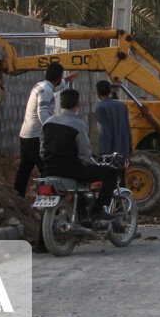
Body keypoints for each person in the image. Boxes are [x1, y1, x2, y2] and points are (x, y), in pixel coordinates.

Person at [41, 88, 119, 220]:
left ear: (61, 104)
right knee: (111, 173)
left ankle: (81, 213)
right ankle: (97, 210)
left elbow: (42, 150)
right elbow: (84, 156)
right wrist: (91, 164)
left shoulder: (48, 123)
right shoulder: (79, 125)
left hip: (48, 170)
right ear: (78, 104)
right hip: (71, 171)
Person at [13, 62, 75, 195]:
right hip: (36, 136)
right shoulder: (46, 90)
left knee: (25, 168)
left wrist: (67, 80)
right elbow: (43, 111)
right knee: (46, 169)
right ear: (58, 77)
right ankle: (46, 200)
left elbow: (56, 87)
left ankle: (18, 195)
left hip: (26, 134)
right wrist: (51, 130)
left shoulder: (40, 86)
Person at [94, 79, 132, 158]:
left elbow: (104, 132)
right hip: (123, 150)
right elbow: (127, 129)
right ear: (109, 91)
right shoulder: (122, 106)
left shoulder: (101, 108)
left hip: (110, 152)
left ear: (98, 92)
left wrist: (103, 153)